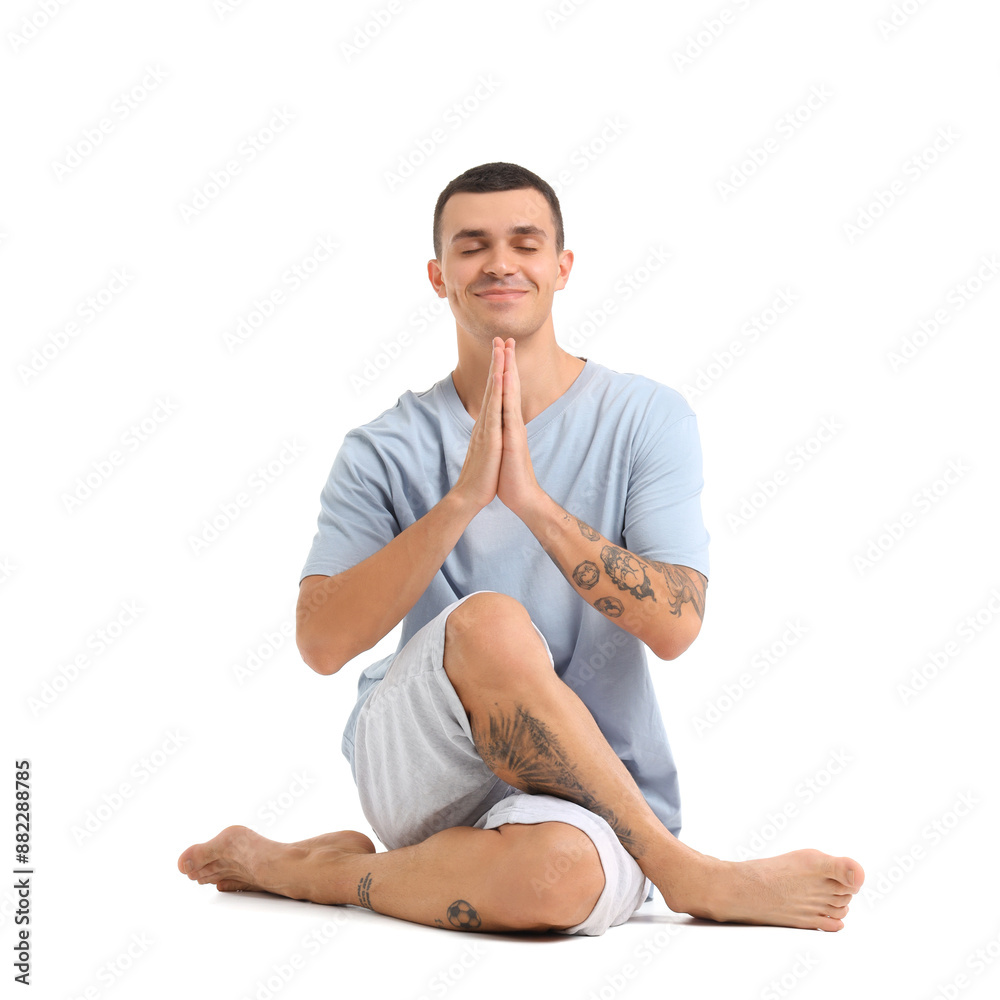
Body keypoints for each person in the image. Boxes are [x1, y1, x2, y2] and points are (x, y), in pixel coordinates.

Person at [178, 162, 863, 936]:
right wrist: (462, 501)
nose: (499, 262)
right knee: (490, 623)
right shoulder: (382, 449)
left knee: (553, 884)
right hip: (423, 755)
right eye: (472, 246)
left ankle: (310, 871)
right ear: (438, 276)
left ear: (561, 267)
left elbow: (677, 627)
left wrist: (531, 503)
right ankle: (684, 871)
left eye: (525, 243)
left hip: (598, 796)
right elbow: (322, 643)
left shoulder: (647, 419)